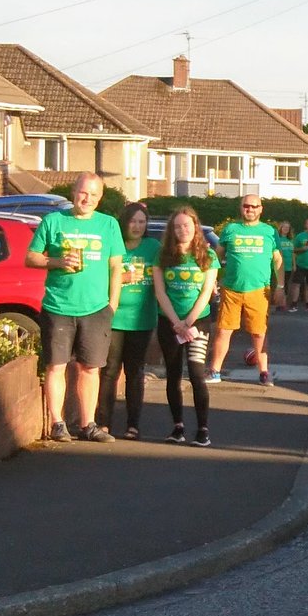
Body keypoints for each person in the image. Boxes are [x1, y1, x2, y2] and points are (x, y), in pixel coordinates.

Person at [24, 172, 125, 443]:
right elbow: (31, 257)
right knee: (56, 366)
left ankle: (88, 424)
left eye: (94, 194)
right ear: (73, 192)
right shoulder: (53, 220)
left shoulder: (108, 224)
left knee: (90, 368)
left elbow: (116, 267)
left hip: (96, 308)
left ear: (100, 198)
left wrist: (112, 304)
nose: (87, 199)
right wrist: (57, 262)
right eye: (83, 192)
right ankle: (58, 423)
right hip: (58, 306)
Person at [152, 206, 219, 447]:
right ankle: (178, 426)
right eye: (178, 226)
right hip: (169, 322)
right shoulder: (162, 255)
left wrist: (188, 322)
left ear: (195, 227)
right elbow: (160, 292)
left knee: (197, 374)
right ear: (172, 230)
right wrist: (176, 323)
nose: (183, 230)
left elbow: (206, 293)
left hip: (197, 322)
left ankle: (203, 429)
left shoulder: (208, 256)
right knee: (173, 374)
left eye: (187, 225)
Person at [95, 202, 160, 440]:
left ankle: (133, 424)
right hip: (114, 317)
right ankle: (103, 422)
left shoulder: (153, 247)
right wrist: (121, 277)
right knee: (110, 371)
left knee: (135, 372)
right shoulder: (114, 244)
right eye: (133, 221)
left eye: (142, 222)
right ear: (124, 222)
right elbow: (96, 276)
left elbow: (169, 268)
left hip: (142, 319)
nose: (137, 226)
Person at [207, 196, 283, 386]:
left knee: (259, 333)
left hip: (259, 290)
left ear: (261, 209)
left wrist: (280, 287)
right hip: (231, 289)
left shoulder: (269, 231)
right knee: (223, 331)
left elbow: (278, 260)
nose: (250, 209)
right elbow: (217, 256)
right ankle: (214, 371)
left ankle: (264, 372)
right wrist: (213, 280)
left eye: (254, 206)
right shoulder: (230, 229)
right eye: (246, 206)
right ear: (241, 208)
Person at [275, 221, 297, 312]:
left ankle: (283, 303)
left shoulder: (290, 240)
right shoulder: (277, 239)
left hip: (288, 266)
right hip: (279, 266)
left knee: (286, 284)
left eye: (288, 228)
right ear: (281, 228)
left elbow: (293, 253)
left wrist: (294, 265)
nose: (286, 229)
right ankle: (278, 304)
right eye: (284, 227)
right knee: (279, 284)